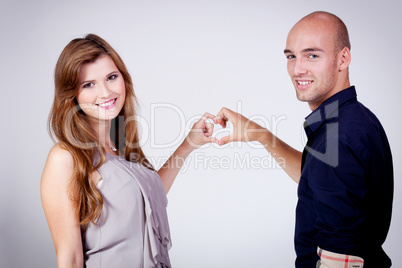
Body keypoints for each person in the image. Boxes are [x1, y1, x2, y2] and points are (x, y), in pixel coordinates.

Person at [212, 11, 393, 268]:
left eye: (312, 55)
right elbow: (315, 175)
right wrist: (261, 135)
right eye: (291, 56)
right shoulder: (355, 119)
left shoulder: (339, 137)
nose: (298, 69)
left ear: (343, 58)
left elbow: (340, 255)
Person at [40, 34, 218, 267]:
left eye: (111, 77)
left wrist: (188, 144)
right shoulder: (65, 158)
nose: (105, 93)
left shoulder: (121, 146)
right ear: (71, 95)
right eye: (88, 84)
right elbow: (70, 259)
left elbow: (148, 198)